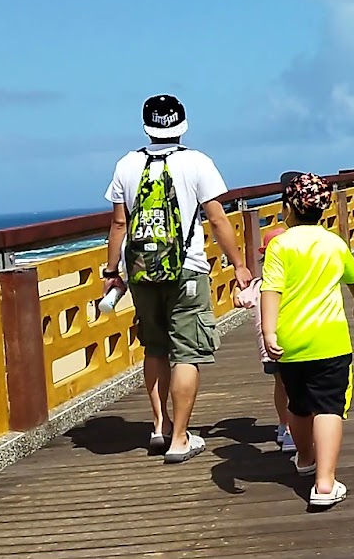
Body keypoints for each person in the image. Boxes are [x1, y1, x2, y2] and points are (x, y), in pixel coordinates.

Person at [102, 94, 251, 464]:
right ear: (182, 124)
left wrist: (111, 271)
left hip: (141, 272)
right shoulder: (197, 162)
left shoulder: (126, 164)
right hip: (187, 268)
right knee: (187, 352)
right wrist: (239, 265)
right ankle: (181, 438)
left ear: (146, 125)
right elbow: (217, 219)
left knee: (154, 348)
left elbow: (119, 223)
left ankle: (159, 426)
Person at [261, 173, 354, 510]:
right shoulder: (334, 243)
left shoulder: (280, 244)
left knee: (298, 404)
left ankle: (305, 458)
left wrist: (268, 332)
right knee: (329, 407)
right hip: (330, 341)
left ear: (288, 209)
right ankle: (324, 484)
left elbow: (271, 290)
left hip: (290, 342)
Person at [239, 226, 295, 452]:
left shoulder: (258, 284)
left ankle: (283, 424)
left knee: (281, 385)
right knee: (295, 387)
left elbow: (239, 300)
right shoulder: (293, 284)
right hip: (290, 344)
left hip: (267, 348)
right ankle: (292, 431)